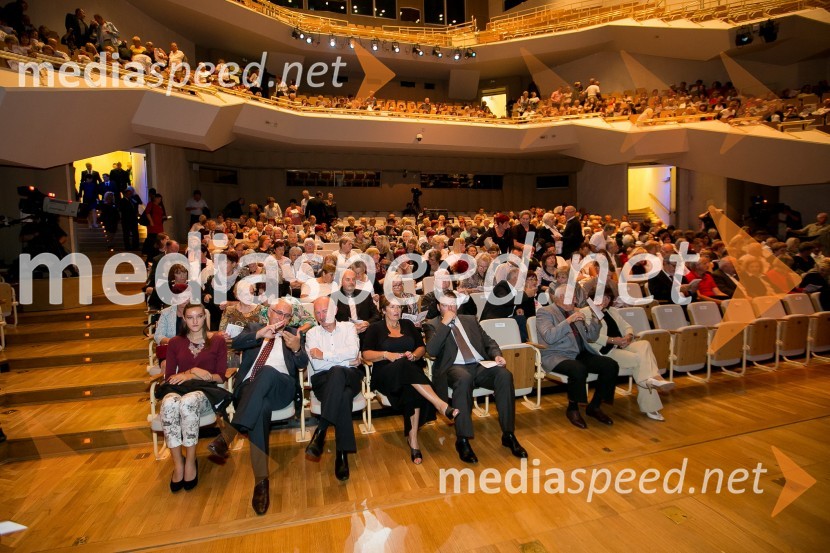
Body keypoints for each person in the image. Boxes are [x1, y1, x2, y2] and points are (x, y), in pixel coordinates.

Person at [211, 300, 307, 515]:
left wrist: (297, 348)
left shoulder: (293, 333)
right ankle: (261, 482)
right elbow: (235, 343)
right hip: (249, 390)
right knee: (260, 408)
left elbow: (302, 365)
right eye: (277, 312)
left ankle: (230, 433)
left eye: (286, 315)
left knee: (269, 371)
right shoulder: (255, 328)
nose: (280, 318)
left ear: (290, 319)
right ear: (269, 313)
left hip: (281, 389)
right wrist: (259, 334)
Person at [424, 290, 527, 464]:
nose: (450, 308)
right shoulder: (432, 324)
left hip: (479, 365)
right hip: (453, 367)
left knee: (504, 375)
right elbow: (432, 351)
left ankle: (508, 434)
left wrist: (496, 355)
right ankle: (462, 439)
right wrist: (445, 323)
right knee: (463, 379)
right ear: (438, 307)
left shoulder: (470, 319)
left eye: (453, 304)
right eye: (445, 305)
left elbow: (489, 342)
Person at [362, 296, 458, 464]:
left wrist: (414, 356)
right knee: (404, 365)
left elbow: (422, 348)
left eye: (398, 307)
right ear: (383, 310)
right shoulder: (375, 328)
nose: (396, 310)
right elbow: (366, 354)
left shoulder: (407, 325)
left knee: (411, 388)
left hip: (409, 375)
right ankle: (440, 404)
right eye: (392, 307)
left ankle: (413, 441)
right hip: (385, 374)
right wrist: (386, 355)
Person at [159, 303, 228, 492]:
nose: (195, 321)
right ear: (184, 319)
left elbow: (220, 376)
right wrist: (192, 371)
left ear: (205, 317)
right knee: (168, 403)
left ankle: (190, 461)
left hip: (205, 393)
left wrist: (192, 373)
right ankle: (178, 463)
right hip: (179, 389)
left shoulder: (217, 341)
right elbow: (170, 378)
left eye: (199, 316)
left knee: (188, 402)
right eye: (190, 317)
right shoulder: (175, 342)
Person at [536, 285, 620, 429]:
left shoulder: (576, 311)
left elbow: (591, 337)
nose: (576, 300)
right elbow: (549, 337)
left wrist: (595, 317)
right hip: (557, 354)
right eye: (573, 297)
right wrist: (569, 320)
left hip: (580, 353)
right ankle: (573, 408)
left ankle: (595, 406)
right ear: (561, 297)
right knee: (578, 369)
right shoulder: (545, 312)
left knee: (610, 365)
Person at [585, 290, 674, 421]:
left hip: (622, 345)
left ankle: (651, 379)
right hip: (604, 351)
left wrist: (628, 336)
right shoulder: (585, 312)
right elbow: (591, 336)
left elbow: (627, 326)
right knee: (640, 361)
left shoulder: (612, 311)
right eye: (601, 297)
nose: (604, 300)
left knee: (644, 344)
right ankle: (651, 402)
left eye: (607, 297)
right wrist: (613, 340)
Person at [304, 296, 363, 481]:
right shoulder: (312, 334)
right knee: (343, 396)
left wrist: (326, 355)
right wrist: (342, 358)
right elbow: (316, 364)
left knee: (338, 371)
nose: (322, 316)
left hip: (351, 377)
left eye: (325, 311)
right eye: (318, 312)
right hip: (323, 382)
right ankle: (341, 454)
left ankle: (321, 430)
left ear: (335, 310)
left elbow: (353, 353)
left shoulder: (348, 327)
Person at [333, 269, 380, 335]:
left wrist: (367, 323)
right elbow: (329, 321)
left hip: (364, 334)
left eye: (353, 279)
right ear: (341, 281)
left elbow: (377, 315)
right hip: (343, 335)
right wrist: (348, 328)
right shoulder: (333, 298)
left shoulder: (365, 295)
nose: (351, 282)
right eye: (348, 279)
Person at [142, 193, 166, 261]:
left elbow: (160, 215)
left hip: (159, 225)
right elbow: (147, 213)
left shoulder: (160, 206)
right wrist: (151, 221)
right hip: (153, 225)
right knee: (152, 238)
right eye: (158, 198)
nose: (159, 200)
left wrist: (164, 217)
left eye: (160, 199)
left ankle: (157, 251)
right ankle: (150, 252)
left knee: (159, 238)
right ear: (155, 198)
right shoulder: (151, 204)